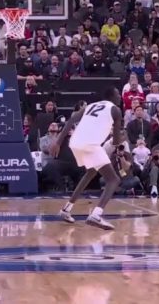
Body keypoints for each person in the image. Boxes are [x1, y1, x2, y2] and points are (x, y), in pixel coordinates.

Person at [52, 86, 124, 230]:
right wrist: (119, 138)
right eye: (118, 94)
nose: (120, 97)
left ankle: (66, 209)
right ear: (112, 97)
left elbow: (71, 119)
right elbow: (116, 142)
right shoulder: (116, 110)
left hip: (75, 143)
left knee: (90, 172)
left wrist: (58, 141)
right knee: (113, 179)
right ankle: (96, 215)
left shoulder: (91, 106)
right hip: (91, 145)